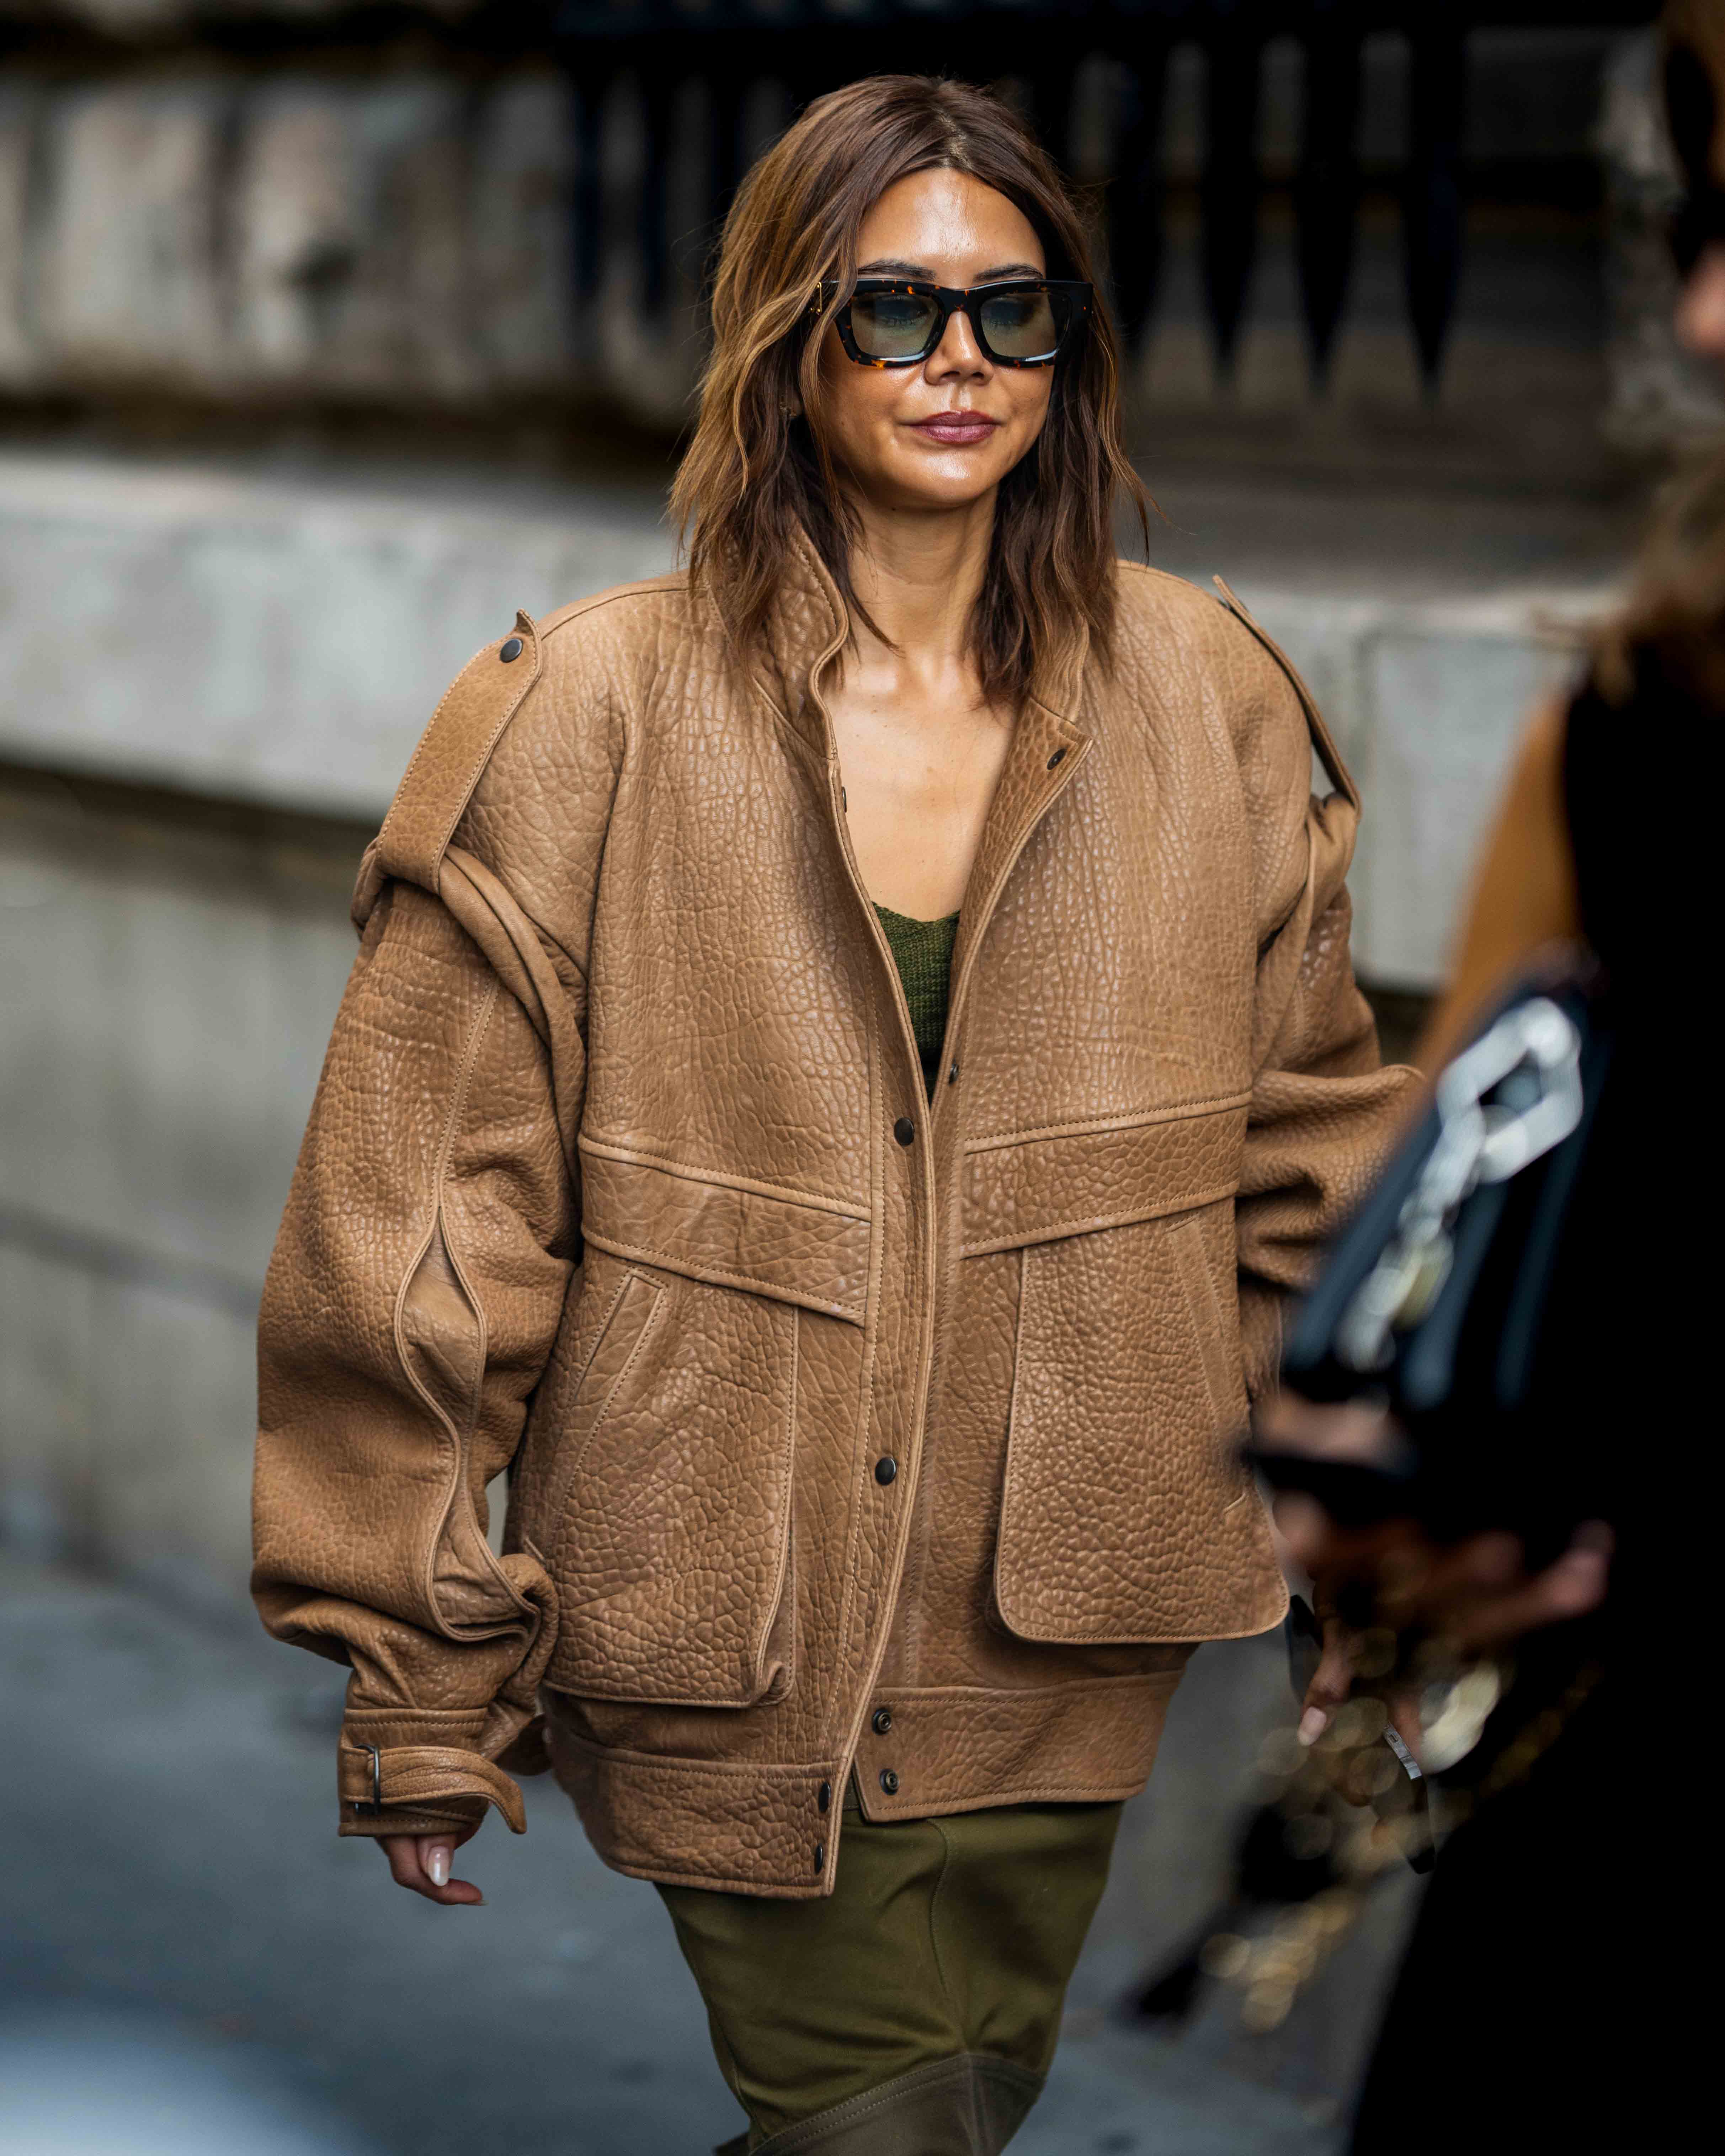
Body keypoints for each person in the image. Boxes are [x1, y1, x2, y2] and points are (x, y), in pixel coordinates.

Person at [252, 74, 1410, 2155]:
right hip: (726, 1615)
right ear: (787, 340)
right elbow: (424, 1224)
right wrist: (418, 1668)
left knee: (951, 2109)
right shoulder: (583, 711)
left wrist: (1389, 1564)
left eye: (1013, 310)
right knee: (888, 2129)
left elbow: (1311, 1174)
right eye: (892, 310)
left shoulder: (1208, 696)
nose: (959, 360)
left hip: (1070, 1603)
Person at [1265, 5, 1723, 2144]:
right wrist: (1378, 1462)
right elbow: (1432, 1261)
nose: (1711, 314)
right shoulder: (1645, 734)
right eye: (1711, 208)